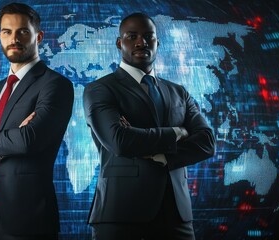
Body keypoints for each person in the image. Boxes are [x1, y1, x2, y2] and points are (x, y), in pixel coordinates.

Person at [83, 12, 215, 240]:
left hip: (176, 215)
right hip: (121, 214)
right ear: (119, 43)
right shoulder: (100, 89)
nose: (141, 42)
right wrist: (177, 132)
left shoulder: (179, 92)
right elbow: (120, 141)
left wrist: (164, 157)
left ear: (157, 42)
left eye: (148, 37)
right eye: (132, 36)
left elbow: (207, 142)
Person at [0, 3, 74, 239]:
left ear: (38, 36)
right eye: (7, 32)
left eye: (23, 31)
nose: (14, 39)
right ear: (0, 35)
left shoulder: (55, 85)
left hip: (29, 216)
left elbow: (29, 139)